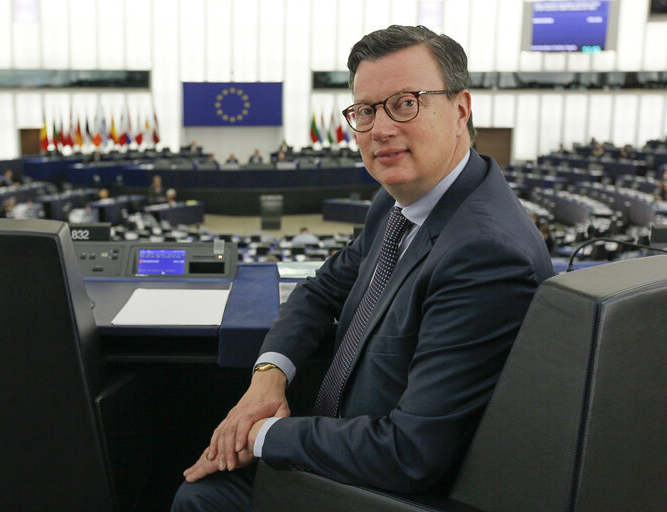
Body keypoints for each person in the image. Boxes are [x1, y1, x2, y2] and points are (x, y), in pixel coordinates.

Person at [172, 24, 554, 511]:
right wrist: (267, 378)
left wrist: (261, 434)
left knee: (203, 496)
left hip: (390, 489)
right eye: (366, 111)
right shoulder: (397, 205)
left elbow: (410, 454)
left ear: (460, 110)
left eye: (406, 103)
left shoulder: (484, 255)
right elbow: (318, 291)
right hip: (351, 441)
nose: (382, 129)